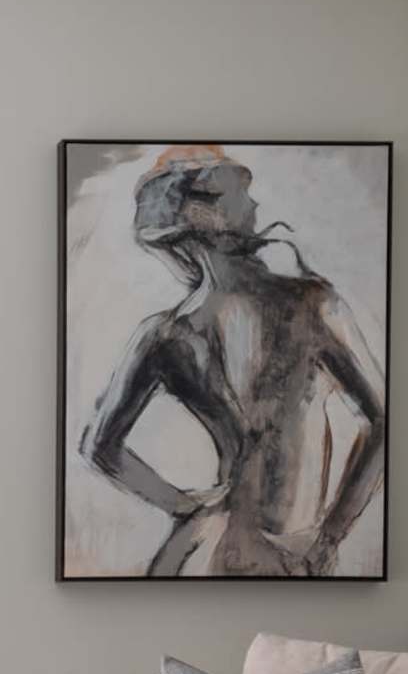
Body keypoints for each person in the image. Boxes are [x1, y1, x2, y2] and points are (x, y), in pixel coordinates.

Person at [77, 144, 386, 576]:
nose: (255, 202)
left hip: (221, 545)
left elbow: (99, 446)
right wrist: (329, 537)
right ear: (198, 214)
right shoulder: (313, 306)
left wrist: (184, 507)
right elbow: (99, 446)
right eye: (236, 192)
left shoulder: (168, 332)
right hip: (269, 548)